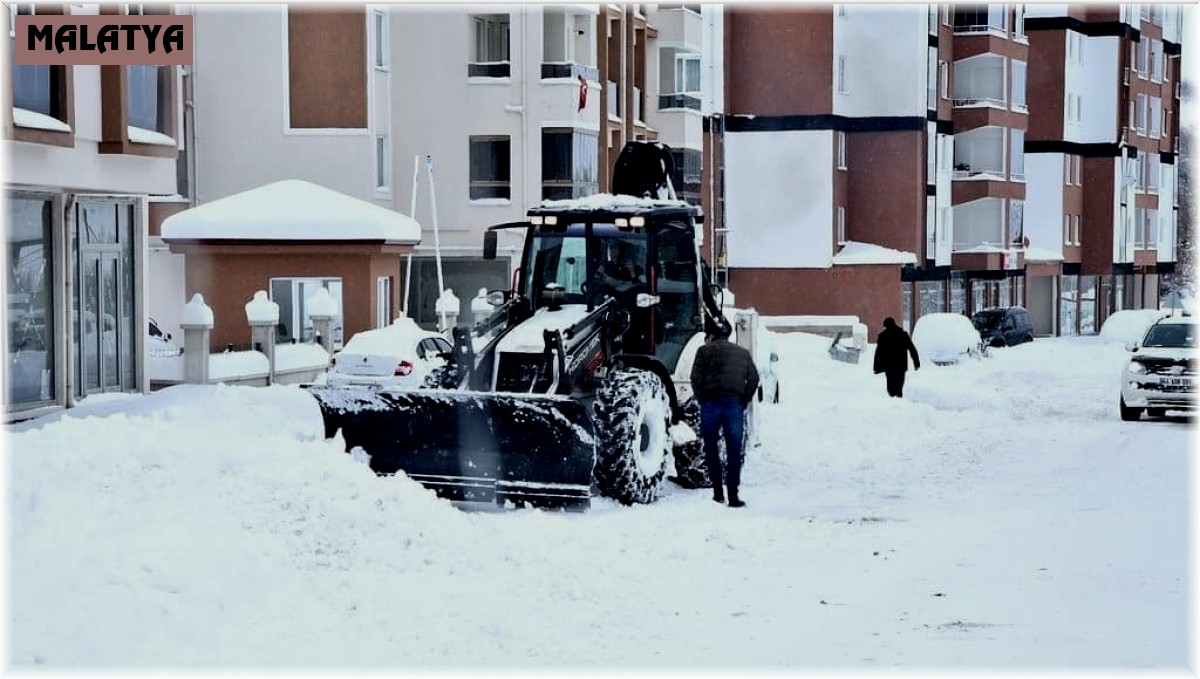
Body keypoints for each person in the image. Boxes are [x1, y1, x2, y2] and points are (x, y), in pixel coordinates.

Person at [689, 324, 759, 508]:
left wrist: (702, 398)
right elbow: (754, 378)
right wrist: (744, 399)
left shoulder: (703, 351)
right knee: (734, 450)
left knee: (711, 448)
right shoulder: (742, 353)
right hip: (733, 404)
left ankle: (718, 493)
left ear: (711, 336)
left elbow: (695, 378)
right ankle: (734, 496)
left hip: (710, 404)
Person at [873, 317, 920, 398]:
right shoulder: (903, 335)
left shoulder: (883, 336)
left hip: (889, 367)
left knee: (890, 388)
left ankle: (894, 403)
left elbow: (878, 353)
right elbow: (912, 349)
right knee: (899, 387)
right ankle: (898, 402)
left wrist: (876, 368)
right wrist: (916, 363)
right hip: (901, 367)